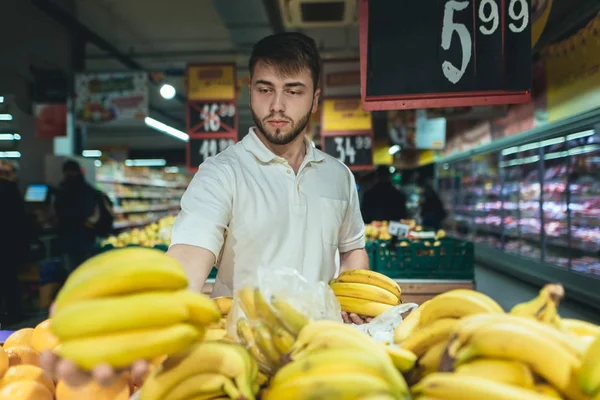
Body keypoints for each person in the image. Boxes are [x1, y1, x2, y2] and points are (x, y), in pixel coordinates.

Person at [41, 32, 370, 387]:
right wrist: (141, 331)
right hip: (239, 360)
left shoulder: (338, 175)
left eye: (293, 91)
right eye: (265, 89)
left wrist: (353, 296)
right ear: (250, 91)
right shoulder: (221, 173)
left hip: (323, 354)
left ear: (315, 98)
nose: (277, 105)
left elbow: (352, 248)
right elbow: (186, 261)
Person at [54, 160, 99, 272]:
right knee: (85, 269)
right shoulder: (89, 189)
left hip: (68, 236)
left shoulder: (63, 190)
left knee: (70, 269)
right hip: (86, 236)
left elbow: (59, 211)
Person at [0, 161, 28, 324]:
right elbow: (20, 218)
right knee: (10, 279)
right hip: (9, 243)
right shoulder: (11, 190)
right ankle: (14, 313)